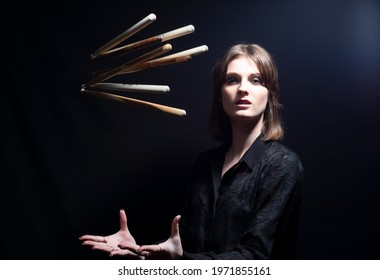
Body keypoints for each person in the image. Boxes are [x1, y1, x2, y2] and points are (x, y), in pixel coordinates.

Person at [80, 43, 304, 260]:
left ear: (270, 94)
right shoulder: (205, 164)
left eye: (256, 80)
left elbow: (255, 258)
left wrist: (181, 258)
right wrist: (139, 252)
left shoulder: (282, 165)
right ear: (220, 94)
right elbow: (184, 246)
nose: (243, 88)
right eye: (232, 80)